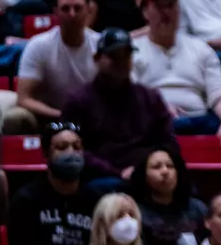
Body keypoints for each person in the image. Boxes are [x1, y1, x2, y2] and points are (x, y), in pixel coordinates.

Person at [133, 0, 221, 136]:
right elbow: (129, 96)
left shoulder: (200, 48)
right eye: (159, 6)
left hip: (198, 121)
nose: (166, 12)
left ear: (179, 10)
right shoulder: (132, 51)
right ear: (145, 12)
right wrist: (158, 106)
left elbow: (220, 93)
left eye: (171, 5)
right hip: (153, 123)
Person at [64, 28, 178, 178]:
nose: (122, 61)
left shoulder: (150, 98)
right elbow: (75, 152)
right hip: (100, 178)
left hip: (149, 176)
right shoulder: (79, 101)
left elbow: (167, 143)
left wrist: (147, 169)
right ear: (97, 59)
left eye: (126, 54)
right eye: (114, 56)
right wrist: (117, 173)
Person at [4, 121, 96, 245]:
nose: (71, 152)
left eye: (77, 147)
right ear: (46, 154)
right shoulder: (26, 199)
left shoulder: (95, 199)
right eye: (61, 147)